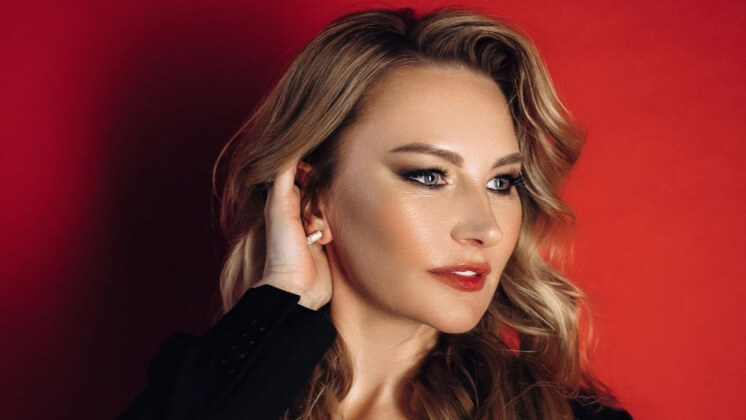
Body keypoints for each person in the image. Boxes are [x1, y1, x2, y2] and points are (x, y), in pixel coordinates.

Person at [119, 7, 632, 420]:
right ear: (310, 195)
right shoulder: (198, 392)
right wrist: (283, 296)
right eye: (429, 176)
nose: (487, 228)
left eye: (502, 182)